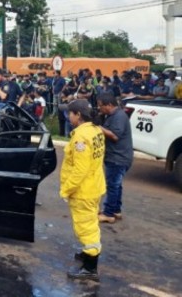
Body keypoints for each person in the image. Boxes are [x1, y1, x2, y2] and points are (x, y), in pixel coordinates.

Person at [60, 99, 106, 281]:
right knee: (90, 222)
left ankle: (90, 267)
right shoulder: (95, 130)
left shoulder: (81, 137)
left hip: (83, 191)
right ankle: (88, 254)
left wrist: (66, 190)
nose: (68, 116)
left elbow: (80, 169)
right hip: (94, 186)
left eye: (69, 113)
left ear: (78, 115)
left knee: (85, 228)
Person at [96, 92, 134, 223]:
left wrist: (97, 127)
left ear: (109, 105)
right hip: (118, 156)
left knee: (112, 185)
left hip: (118, 158)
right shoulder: (112, 115)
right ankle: (116, 210)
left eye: (101, 106)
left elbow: (114, 136)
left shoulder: (118, 117)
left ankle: (109, 214)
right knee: (117, 185)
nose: (99, 108)